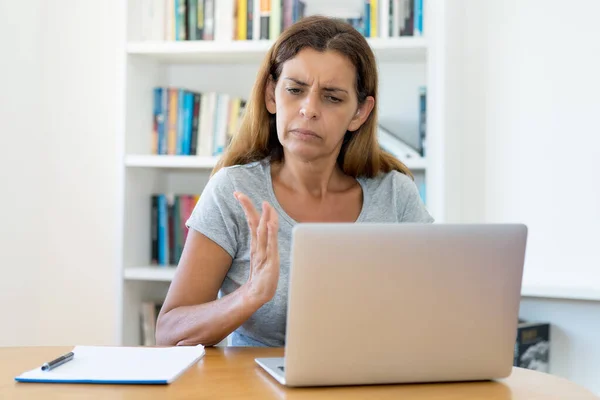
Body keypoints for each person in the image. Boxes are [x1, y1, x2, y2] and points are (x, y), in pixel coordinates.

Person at [155, 15, 434, 348]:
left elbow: (436, 311)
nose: (309, 109)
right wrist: (251, 294)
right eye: (295, 90)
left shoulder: (395, 194)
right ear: (272, 95)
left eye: (332, 97)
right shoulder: (233, 191)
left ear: (359, 113)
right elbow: (169, 334)